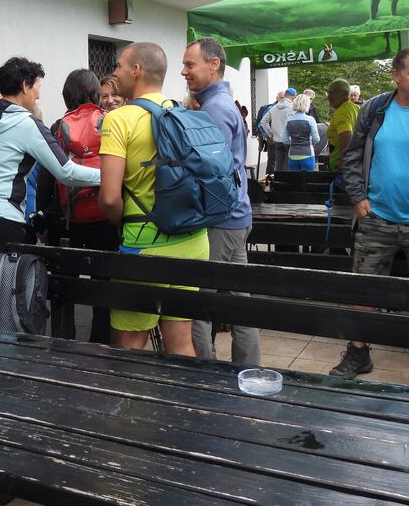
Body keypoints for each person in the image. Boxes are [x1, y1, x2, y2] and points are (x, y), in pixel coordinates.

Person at [329, 47, 409, 379]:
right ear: (396, 75)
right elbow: (353, 155)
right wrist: (358, 197)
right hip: (377, 219)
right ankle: (359, 353)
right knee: (365, 289)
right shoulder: (375, 110)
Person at [99, 42, 209, 356]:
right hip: (193, 240)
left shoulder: (119, 119)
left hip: (145, 244)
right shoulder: (183, 113)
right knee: (180, 340)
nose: (116, 72)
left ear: (136, 70)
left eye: (119, 65)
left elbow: (109, 197)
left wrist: (119, 220)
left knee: (129, 345)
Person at [0, 57, 100, 286]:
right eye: (37, 87)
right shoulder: (25, 123)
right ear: (24, 86)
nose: (38, 96)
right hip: (3, 222)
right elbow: (66, 173)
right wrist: (109, 177)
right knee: (5, 300)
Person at [181, 38, 260, 365]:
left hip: (221, 220)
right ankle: (247, 370)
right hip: (235, 217)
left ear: (213, 65)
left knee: (198, 304)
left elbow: (209, 171)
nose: (184, 71)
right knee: (241, 304)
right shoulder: (221, 103)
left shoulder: (215, 108)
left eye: (190, 64)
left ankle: (203, 373)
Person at [35, 69, 118, 343]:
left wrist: (43, 219)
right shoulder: (110, 123)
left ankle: (64, 341)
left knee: (63, 288)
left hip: (65, 220)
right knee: (103, 287)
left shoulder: (58, 127)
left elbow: (47, 177)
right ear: (96, 93)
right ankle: (100, 345)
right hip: (104, 218)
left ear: (66, 95)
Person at [325, 79, 359, 172]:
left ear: (345, 93)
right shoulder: (356, 108)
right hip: (356, 164)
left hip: (342, 169)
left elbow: (347, 138)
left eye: (332, 93)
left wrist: (341, 164)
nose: (328, 97)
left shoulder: (341, 111)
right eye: (328, 93)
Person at [260, 87, 296, 173]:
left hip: (277, 140)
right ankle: (286, 181)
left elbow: (263, 122)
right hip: (289, 140)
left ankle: (278, 180)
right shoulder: (293, 107)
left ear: (285, 95)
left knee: (278, 164)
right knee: (287, 165)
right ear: (293, 97)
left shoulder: (274, 107)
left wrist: (271, 134)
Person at [282, 93, 320, 171]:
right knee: (309, 178)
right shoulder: (310, 120)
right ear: (307, 105)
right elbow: (316, 139)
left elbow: (284, 139)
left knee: (294, 178)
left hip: (293, 154)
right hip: (308, 154)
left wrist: (293, 141)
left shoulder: (288, 120)